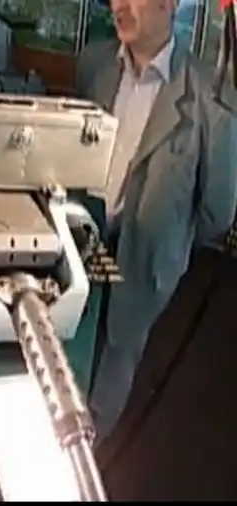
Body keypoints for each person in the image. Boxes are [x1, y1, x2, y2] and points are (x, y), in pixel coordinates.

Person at [75, 0, 237, 442]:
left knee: (104, 397)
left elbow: (216, 213)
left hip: (142, 266)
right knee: (65, 364)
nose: (119, 6)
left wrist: (168, 239)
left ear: (168, 3)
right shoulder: (93, 66)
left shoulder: (211, 95)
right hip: (82, 248)